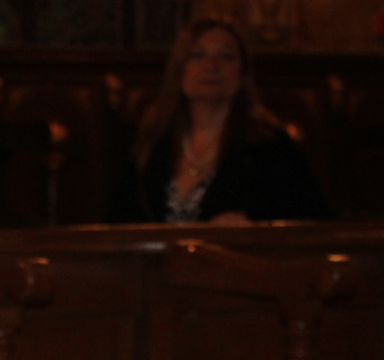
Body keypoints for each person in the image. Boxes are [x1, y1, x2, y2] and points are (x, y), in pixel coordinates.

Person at [113, 17, 329, 224]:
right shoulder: (151, 139)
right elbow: (118, 221)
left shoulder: (271, 148)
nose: (211, 66)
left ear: (242, 72)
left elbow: (313, 221)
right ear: (179, 69)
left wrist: (254, 228)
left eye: (226, 57)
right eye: (197, 55)